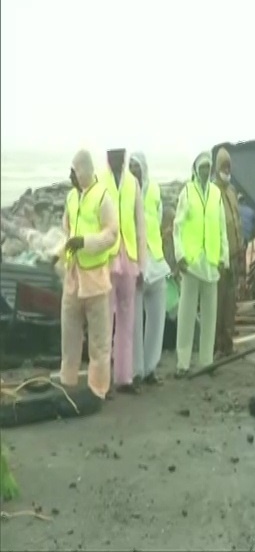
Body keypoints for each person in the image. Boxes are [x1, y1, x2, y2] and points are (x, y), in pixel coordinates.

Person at [59, 150, 118, 399]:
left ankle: (98, 389)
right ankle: (67, 382)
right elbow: (66, 228)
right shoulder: (71, 198)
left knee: (99, 341)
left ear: (84, 170)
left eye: (74, 171)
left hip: (95, 279)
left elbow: (111, 234)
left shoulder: (103, 197)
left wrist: (85, 242)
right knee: (69, 336)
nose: (71, 176)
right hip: (73, 278)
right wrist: (61, 255)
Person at [173, 152, 229, 377]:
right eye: (203, 167)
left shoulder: (216, 194)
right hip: (192, 262)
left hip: (211, 263)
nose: (206, 171)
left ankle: (206, 361)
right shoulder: (187, 192)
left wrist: (224, 258)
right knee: (186, 316)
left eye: (209, 167)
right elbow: (177, 227)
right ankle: (182, 363)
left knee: (210, 316)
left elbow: (221, 228)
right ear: (196, 170)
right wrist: (180, 256)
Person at [100, 148, 147, 394]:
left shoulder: (132, 184)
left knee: (127, 321)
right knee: (105, 323)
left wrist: (142, 267)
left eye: (119, 154)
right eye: (112, 154)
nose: (116, 159)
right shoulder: (99, 181)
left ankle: (124, 377)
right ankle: (103, 381)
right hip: (107, 260)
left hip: (128, 258)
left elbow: (141, 226)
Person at [128, 152, 169, 386]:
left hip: (157, 261)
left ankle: (151, 368)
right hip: (135, 264)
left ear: (144, 167)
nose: (134, 169)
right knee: (134, 322)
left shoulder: (154, 190)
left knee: (156, 321)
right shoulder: (125, 193)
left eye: (137, 166)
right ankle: (136, 371)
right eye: (131, 166)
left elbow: (160, 217)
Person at [213, 147, 243, 357]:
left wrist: (240, 249)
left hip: (234, 255)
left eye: (229, 166)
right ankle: (216, 344)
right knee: (218, 302)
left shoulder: (232, 192)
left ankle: (228, 343)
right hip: (219, 257)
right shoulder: (212, 192)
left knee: (231, 303)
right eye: (223, 166)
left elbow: (237, 222)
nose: (227, 170)